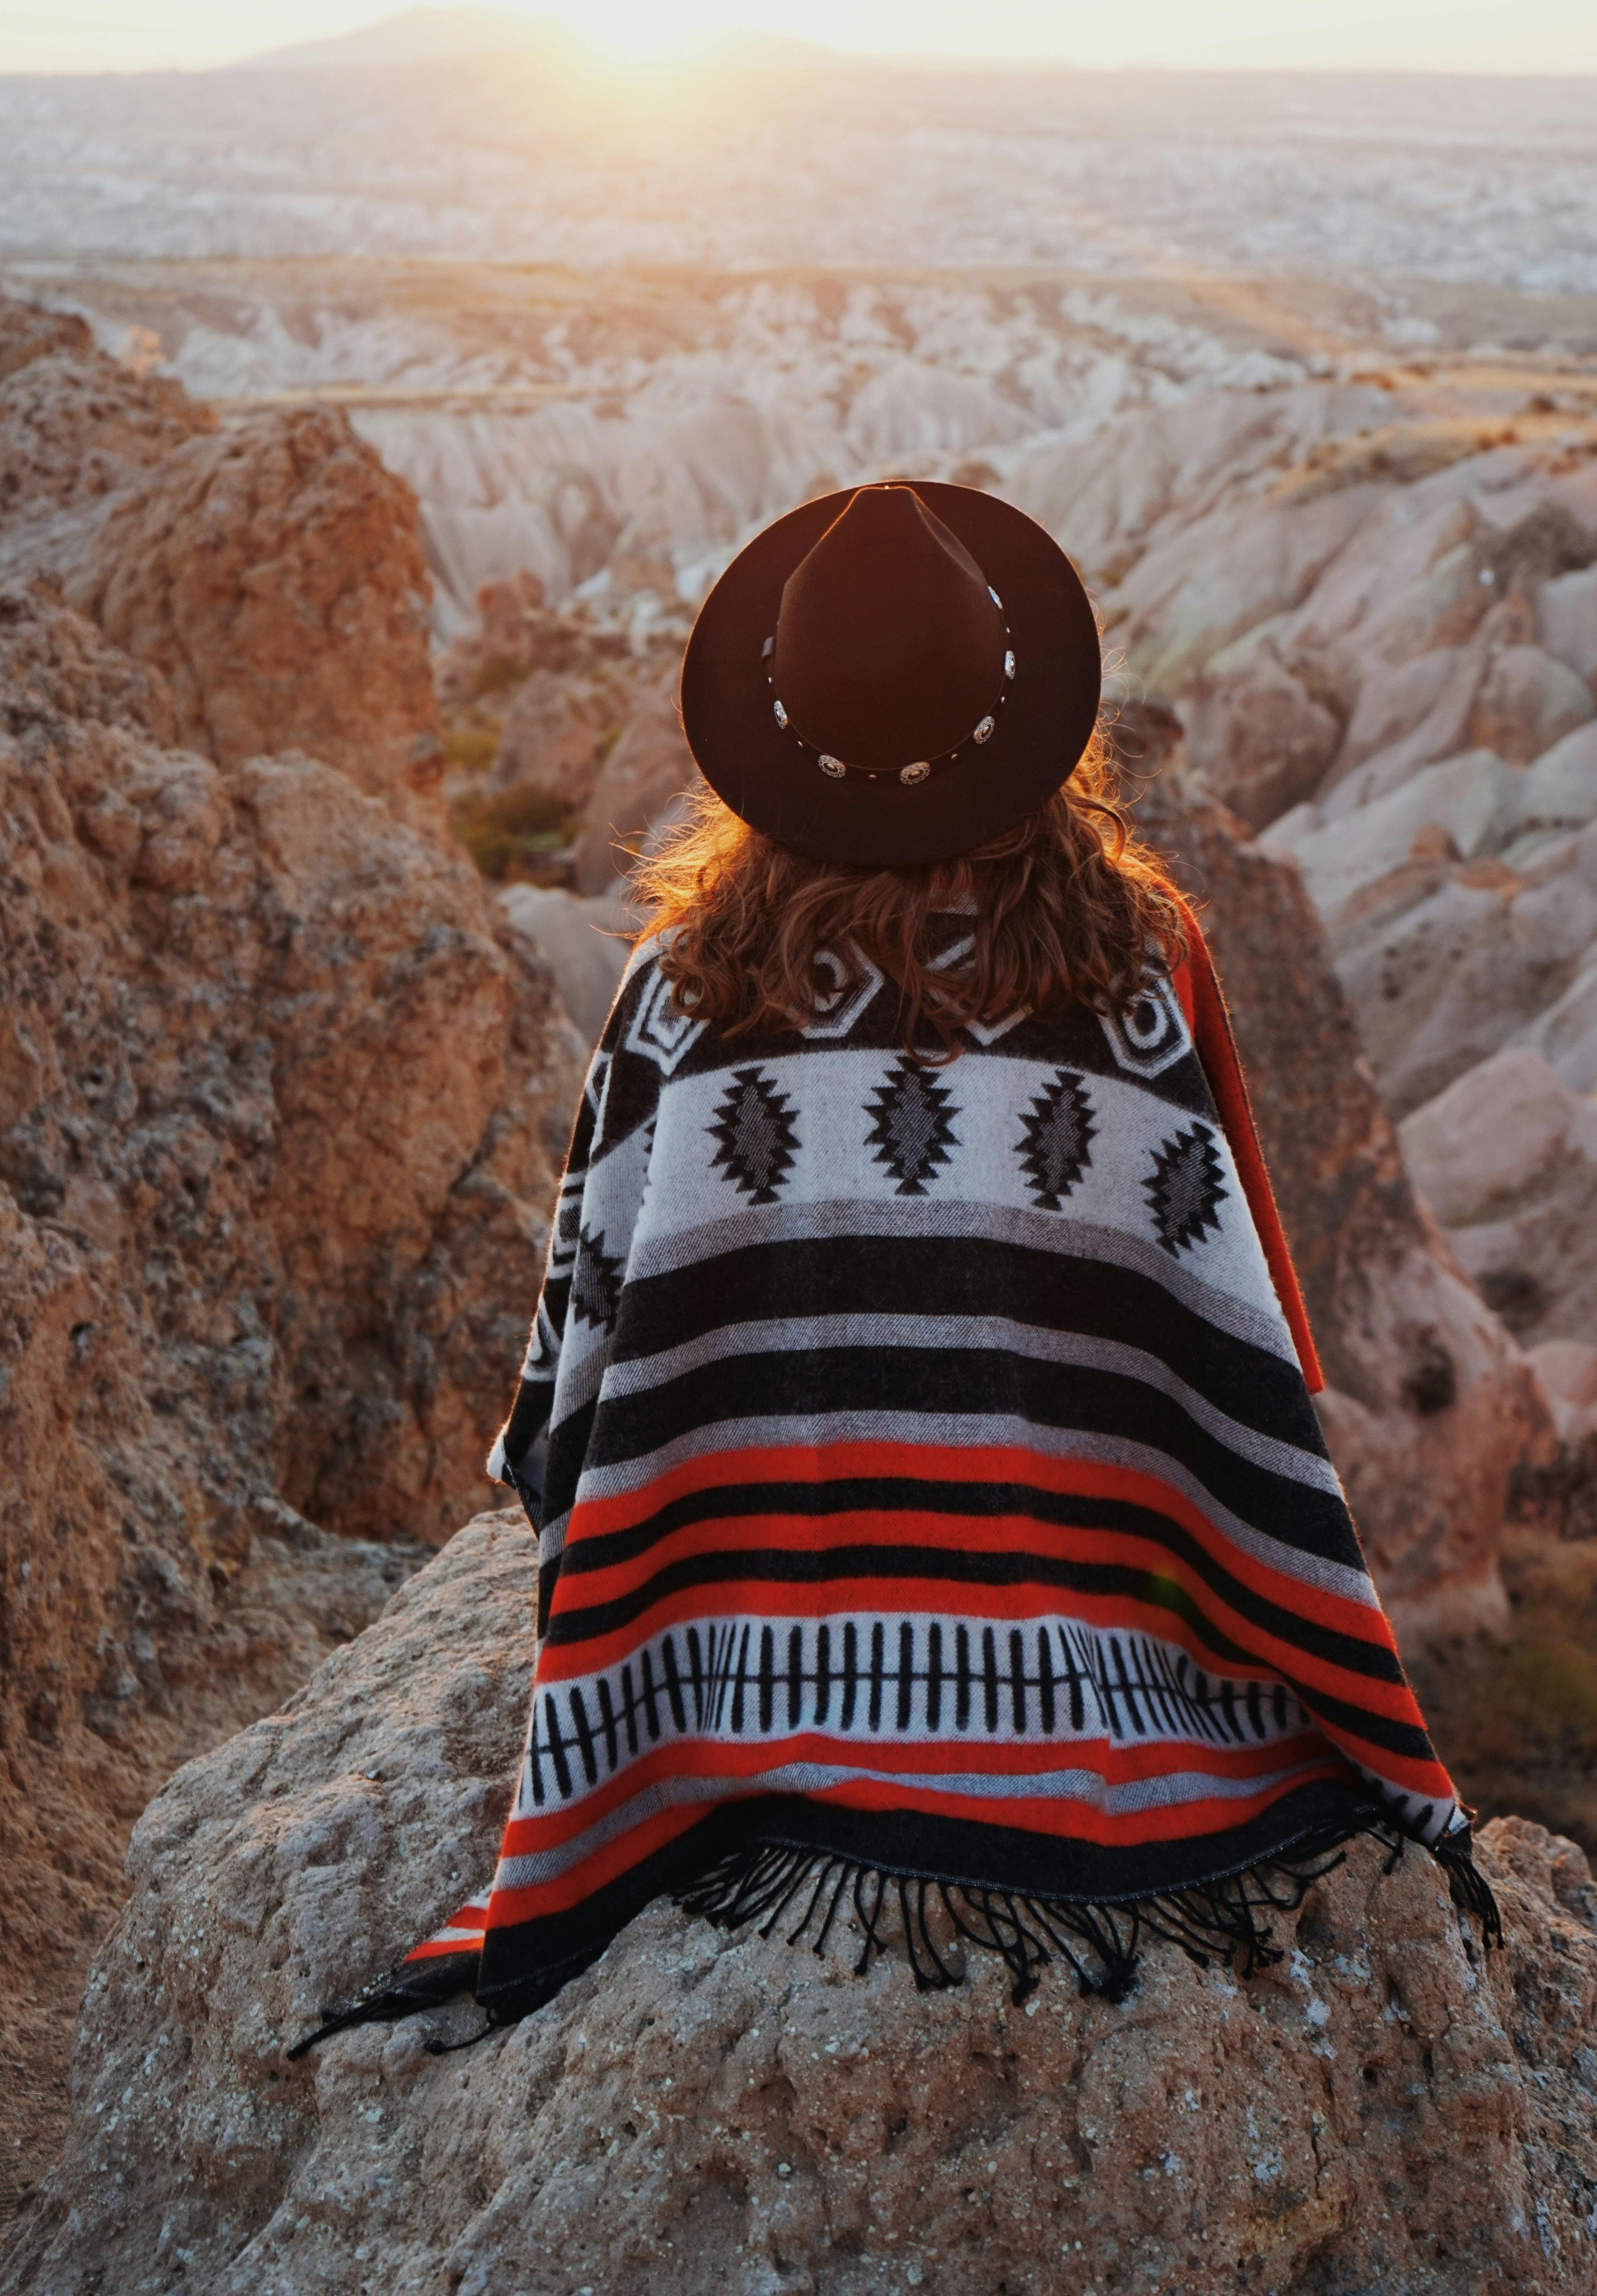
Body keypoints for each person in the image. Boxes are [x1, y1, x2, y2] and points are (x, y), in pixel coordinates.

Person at [297, 479, 1494, 2051]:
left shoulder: (678, 994)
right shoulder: (1141, 975)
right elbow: (1242, 1349)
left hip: (717, 1667)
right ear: (1022, 725)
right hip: (1100, 1670)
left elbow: (575, 1391)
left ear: (784, 742)